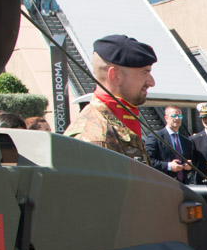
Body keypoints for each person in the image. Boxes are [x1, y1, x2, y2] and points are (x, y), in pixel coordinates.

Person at [64, 34, 156, 164]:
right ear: (115, 75)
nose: (152, 82)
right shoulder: (94, 138)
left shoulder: (116, 122)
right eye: (144, 73)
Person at [145, 107, 195, 179]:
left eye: (180, 116)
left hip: (183, 184)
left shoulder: (186, 141)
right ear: (166, 118)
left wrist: (189, 166)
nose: (177, 118)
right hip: (163, 182)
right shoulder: (156, 137)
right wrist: (169, 166)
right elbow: (147, 160)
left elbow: (191, 161)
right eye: (174, 116)